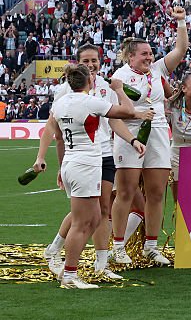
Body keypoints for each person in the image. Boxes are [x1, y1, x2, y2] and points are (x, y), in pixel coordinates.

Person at [41, 44, 153, 280]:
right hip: (82, 158)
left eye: (95, 60)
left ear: (100, 62)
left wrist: (132, 140)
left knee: (103, 209)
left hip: (104, 154)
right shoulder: (65, 91)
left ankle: (101, 264)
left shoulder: (104, 85)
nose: (91, 65)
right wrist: (59, 164)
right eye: (87, 61)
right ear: (79, 63)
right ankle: (54, 250)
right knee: (84, 212)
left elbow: (113, 120)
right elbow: (55, 131)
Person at [110, 5, 190, 267]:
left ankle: (151, 247)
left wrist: (181, 22)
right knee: (126, 192)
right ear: (130, 57)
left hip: (157, 134)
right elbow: (114, 117)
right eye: (144, 54)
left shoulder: (156, 71)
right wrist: (133, 129)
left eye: (150, 53)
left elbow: (181, 50)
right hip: (129, 136)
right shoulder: (119, 78)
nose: (149, 57)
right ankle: (118, 246)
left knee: (157, 193)